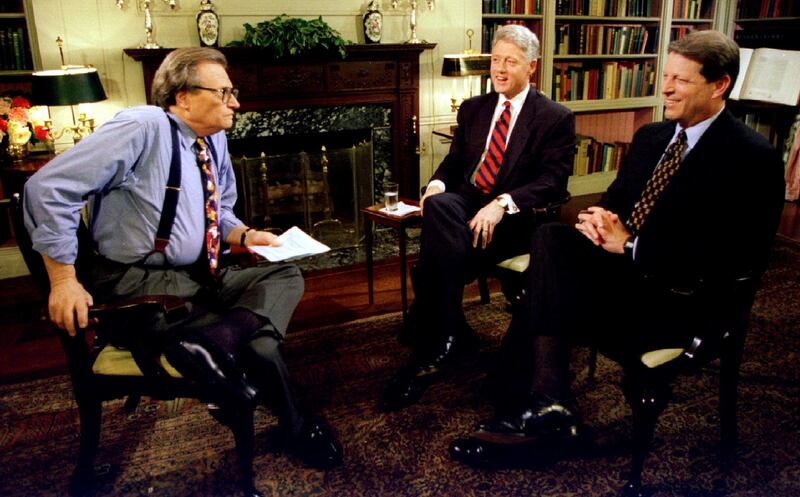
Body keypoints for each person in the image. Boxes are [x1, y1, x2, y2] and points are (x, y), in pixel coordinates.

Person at [448, 30, 786, 466]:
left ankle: (534, 408)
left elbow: (733, 257)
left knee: (544, 289)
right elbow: (616, 200)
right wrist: (596, 221)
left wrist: (631, 245)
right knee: (551, 236)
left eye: (680, 80)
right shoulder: (652, 136)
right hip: (626, 277)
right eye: (666, 76)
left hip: (681, 297)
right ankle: (548, 401)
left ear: (719, 85)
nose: (664, 87)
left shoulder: (751, 156)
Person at [23, 48, 342, 476]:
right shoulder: (143, 126)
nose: (236, 103)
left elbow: (219, 213)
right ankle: (296, 424)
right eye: (224, 92)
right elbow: (46, 189)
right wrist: (63, 279)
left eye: (234, 92)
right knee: (260, 340)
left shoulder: (215, 141)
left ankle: (219, 341)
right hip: (136, 281)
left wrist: (247, 235)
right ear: (182, 97)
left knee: (284, 273)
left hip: (196, 275)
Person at [379, 24, 575, 411]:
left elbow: (553, 182)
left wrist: (502, 203)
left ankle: (440, 337)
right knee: (438, 205)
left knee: (434, 260)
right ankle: (451, 328)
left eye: (510, 62)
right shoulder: (474, 109)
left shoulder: (554, 117)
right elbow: (453, 164)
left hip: (513, 222)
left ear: (531, 67)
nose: (499, 69)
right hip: (466, 211)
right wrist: (435, 185)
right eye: (495, 60)